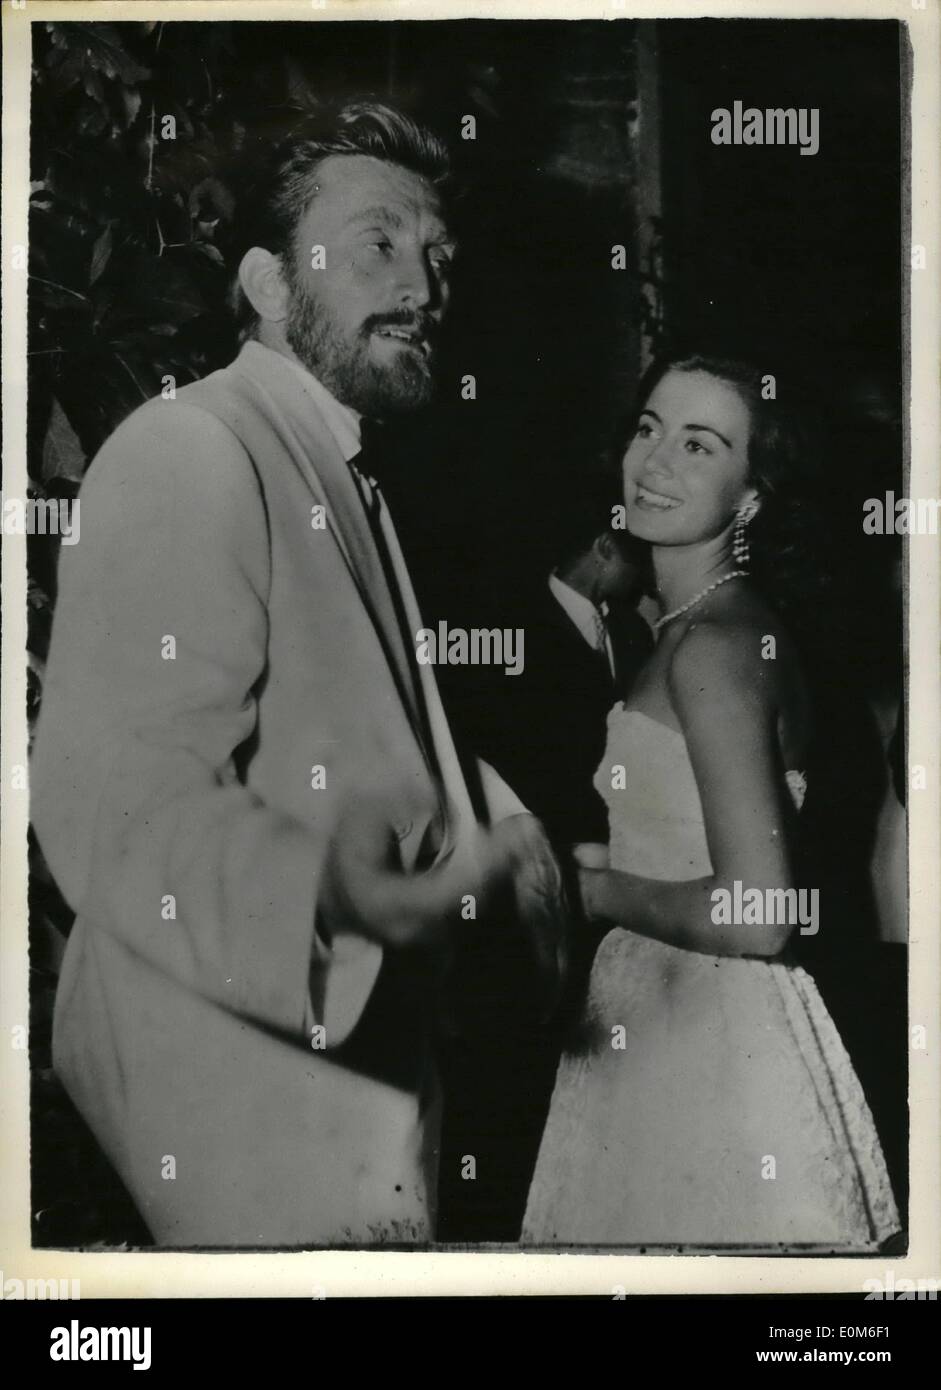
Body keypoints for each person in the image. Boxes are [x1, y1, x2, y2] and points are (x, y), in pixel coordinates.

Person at [30, 101, 566, 1248]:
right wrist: (335, 900)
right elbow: (115, 799)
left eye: (435, 258)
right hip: (246, 1069)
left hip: (348, 1063)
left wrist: (504, 831)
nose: (424, 286)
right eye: (378, 243)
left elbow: (346, 716)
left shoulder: (338, 464)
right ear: (270, 285)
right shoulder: (195, 448)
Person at [521, 354, 901, 1251]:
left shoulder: (716, 650)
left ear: (753, 496)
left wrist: (602, 893)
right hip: (672, 1017)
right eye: (648, 429)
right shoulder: (701, 629)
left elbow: (761, 913)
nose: (654, 463)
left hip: (706, 1040)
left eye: (699, 445)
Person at [437, 495, 653, 1240]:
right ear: (601, 545)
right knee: (512, 1079)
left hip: (608, 896)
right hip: (525, 892)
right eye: (637, 553)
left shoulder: (632, 631)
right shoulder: (504, 621)